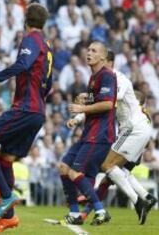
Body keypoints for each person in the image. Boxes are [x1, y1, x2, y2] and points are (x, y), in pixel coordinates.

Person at [0, 3, 52, 232]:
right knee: (5, 160)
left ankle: (6, 197)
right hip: (37, 111)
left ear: (25, 19)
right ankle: (9, 218)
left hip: (25, 108)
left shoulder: (31, 39)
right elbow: (50, 83)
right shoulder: (47, 45)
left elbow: (22, 64)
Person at [68, 50, 157, 224]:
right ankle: (144, 197)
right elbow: (101, 100)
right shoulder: (104, 81)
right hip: (139, 129)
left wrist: (85, 102)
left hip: (133, 128)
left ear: (108, 62)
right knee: (118, 170)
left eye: (99, 58)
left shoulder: (118, 78)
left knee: (106, 164)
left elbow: (110, 102)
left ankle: (138, 201)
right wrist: (81, 111)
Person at [59, 42, 117, 226]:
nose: (88, 53)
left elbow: (108, 104)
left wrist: (82, 107)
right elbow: (98, 101)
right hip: (88, 133)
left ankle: (100, 211)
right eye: (88, 50)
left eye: (94, 51)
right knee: (63, 169)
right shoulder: (93, 77)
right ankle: (75, 213)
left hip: (100, 134)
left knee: (75, 172)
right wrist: (86, 98)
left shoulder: (107, 75)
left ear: (102, 57)